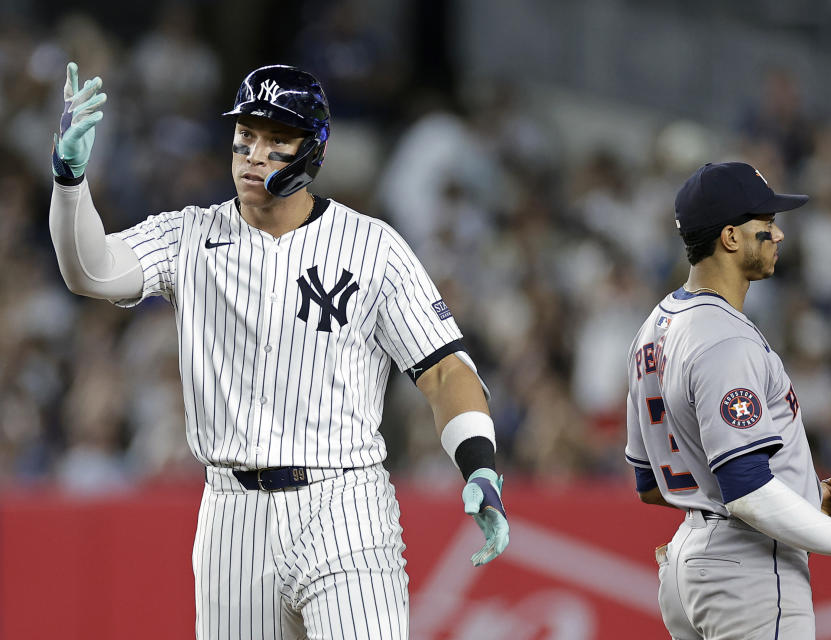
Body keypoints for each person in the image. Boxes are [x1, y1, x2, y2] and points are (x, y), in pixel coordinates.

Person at [49, 62, 509, 640]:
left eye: (276, 138)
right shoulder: (190, 234)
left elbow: (442, 369)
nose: (254, 152)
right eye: (245, 135)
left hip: (345, 503)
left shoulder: (372, 246)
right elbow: (91, 270)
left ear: (312, 151)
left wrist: (480, 466)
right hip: (232, 515)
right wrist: (70, 181)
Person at [624, 162, 831, 639]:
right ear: (730, 237)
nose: (779, 234)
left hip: (689, 566)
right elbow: (747, 492)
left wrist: (807, 496)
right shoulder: (723, 339)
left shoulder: (654, 328)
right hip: (748, 569)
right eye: (765, 225)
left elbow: (650, 483)